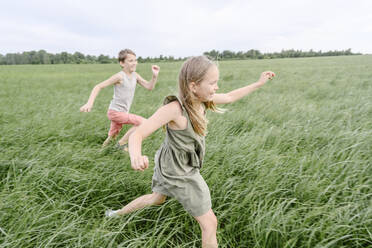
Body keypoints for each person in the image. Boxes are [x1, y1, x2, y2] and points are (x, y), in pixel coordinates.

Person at [106, 56, 275, 248]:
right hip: (178, 171)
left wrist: (258, 83)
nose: (216, 87)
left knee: (157, 198)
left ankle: (116, 214)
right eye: (212, 83)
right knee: (210, 223)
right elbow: (137, 134)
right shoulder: (175, 109)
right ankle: (116, 214)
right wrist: (135, 156)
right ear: (193, 86)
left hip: (170, 163)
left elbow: (229, 97)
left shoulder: (203, 101)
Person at [80, 49, 160, 149]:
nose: (134, 63)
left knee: (112, 136)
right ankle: (122, 144)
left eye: (135, 60)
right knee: (144, 122)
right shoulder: (119, 76)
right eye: (131, 61)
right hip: (115, 112)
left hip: (123, 112)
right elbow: (98, 86)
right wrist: (89, 103)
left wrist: (154, 76)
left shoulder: (135, 76)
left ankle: (101, 151)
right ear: (122, 63)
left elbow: (149, 87)